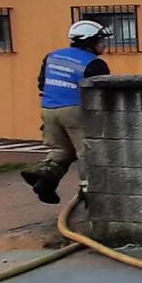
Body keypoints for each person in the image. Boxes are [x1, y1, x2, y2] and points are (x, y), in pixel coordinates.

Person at [21, 19, 110, 204]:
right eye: (101, 39)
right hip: (76, 111)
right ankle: (89, 191)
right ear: (89, 40)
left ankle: (45, 178)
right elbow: (101, 93)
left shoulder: (52, 57)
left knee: (61, 149)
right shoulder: (95, 64)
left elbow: (41, 83)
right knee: (86, 151)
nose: (104, 43)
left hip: (49, 109)